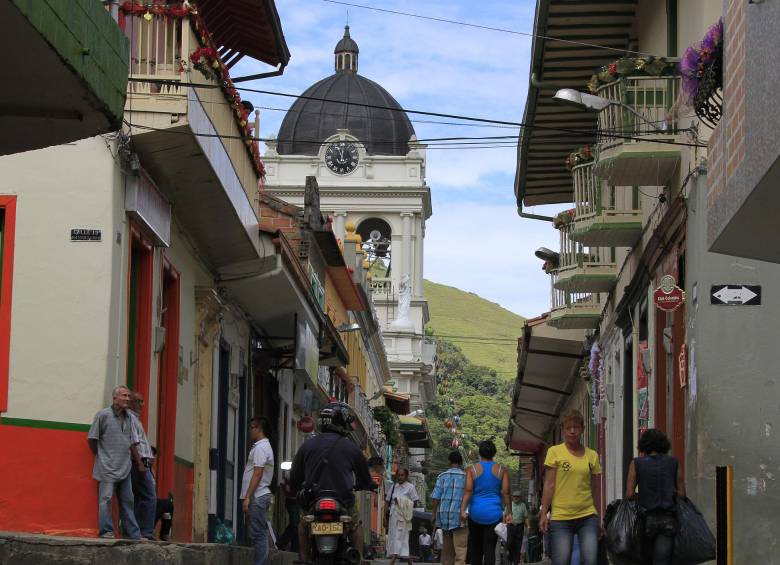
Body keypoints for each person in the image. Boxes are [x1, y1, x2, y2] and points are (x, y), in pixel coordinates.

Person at [290, 402, 376, 561]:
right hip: (343, 501)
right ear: (341, 424)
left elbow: (294, 476)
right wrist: (367, 484)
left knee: (303, 525)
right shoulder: (352, 448)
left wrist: (295, 487)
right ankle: (358, 559)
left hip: (313, 500)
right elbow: (365, 478)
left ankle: (304, 558)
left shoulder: (307, 445)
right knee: (355, 526)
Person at [539, 410, 603, 565]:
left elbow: (595, 488)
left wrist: (599, 516)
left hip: (587, 515)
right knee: (561, 561)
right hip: (561, 517)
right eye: (568, 428)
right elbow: (549, 485)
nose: (572, 431)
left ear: (583, 429)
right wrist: (544, 513)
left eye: (576, 427)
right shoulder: (554, 452)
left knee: (590, 560)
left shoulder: (592, 455)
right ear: (562, 430)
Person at [87, 385, 141, 539]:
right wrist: (101, 456)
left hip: (125, 466)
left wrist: (139, 463)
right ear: (115, 398)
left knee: (128, 500)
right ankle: (106, 531)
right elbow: (92, 439)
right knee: (105, 499)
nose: (127, 399)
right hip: (107, 466)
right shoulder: (103, 415)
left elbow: (132, 441)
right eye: (124, 395)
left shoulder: (131, 417)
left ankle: (132, 533)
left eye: (129, 396)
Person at [625, 429, 685, 565]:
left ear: (643, 445)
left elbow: (629, 494)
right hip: (668, 520)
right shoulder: (674, 462)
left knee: (643, 560)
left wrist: (642, 496)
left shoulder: (636, 463)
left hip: (644, 520)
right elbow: (682, 494)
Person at [460, 440, 511, 565]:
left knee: (476, 549)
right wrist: (509, 512)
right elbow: (506, 493)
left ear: (480, 452)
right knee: (490, 549)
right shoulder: (502, 470)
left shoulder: (471, 469)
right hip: (494, 514)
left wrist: (462, 510)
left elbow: (468, 491)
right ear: (494, 453)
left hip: (475, 513)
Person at [240, 416, 275, 565]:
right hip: (259, 495)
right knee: (257, 533)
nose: (250, 431)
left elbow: (258, 473)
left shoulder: (261, 448)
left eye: (252, 428)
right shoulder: (262, 446)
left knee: (259, 535)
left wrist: (248, 496)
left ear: (259, 429)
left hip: (257, 496)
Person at [128, 392, 157, 540]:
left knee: (140, 497)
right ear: (130, 402)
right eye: (137, 401)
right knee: (150, 496)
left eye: (142, 401)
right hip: (138, 463)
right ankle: (145, 531)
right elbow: (132, 442)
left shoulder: (136, 419)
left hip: (144, 462)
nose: (141, 404)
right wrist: (140, 463)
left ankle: (138, 530)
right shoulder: (131, 418)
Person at [431, 450, 468, 565]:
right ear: (461, 462)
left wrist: (433, 514)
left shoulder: (442, 476)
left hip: (444, 515)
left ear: (449, 462)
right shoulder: (467, 477)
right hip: (461, 516)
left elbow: (436, 497)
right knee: (460, 548)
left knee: (447, 549)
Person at [386, 467, 419, 565]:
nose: (400, 477)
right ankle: (408, 559)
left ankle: (394, 558)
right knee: (394, 536)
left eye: (402, 475)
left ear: (406, 476)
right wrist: (384, 517)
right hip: (393, 515)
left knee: (399, 535)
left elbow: (415, 503)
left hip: (404, 516)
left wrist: (401, 502)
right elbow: (387, 501)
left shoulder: (410, 487)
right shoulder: (393, 487)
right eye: (398, 475)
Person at [508, 490, 528, 565]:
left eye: (517, 496)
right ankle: (511, 557)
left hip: (520, 527)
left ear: (520, 498)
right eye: (514, 496)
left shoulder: (523, 505)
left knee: (518, 545)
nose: (516, 498)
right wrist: (503, 523)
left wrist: (528, 526)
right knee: (510, 543)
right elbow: (505, 514)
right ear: (512, 497)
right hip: (510, 526)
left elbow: (526, 517)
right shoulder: (509, 504)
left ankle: (516, 562)